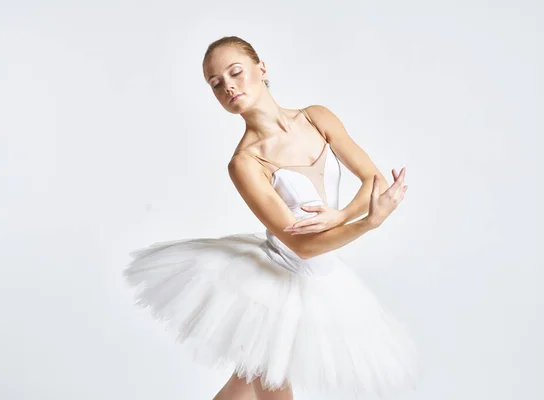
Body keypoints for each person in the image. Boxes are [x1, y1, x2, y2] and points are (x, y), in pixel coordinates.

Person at [124, 36, 418, 400]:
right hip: (274, 283)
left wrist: (340, 215)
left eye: (236, 72)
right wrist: (367, 222)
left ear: (261, 69)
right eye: (215, 83)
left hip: (322, 282)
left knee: (245, 382)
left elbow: (373, 180)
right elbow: (301, 245)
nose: (228, 85)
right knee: (268, 384)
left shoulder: (317, 117)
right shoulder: (245, 162)